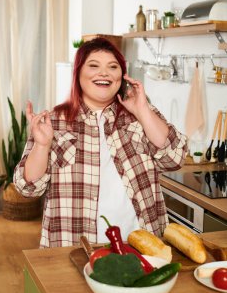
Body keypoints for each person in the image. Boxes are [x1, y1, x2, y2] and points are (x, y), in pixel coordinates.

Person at [14, 37, 187, 248]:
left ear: (121, 77)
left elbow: (175, 158)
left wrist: (143, 110)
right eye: (94, 66)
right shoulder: (54, 122)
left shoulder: (140, 116)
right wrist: (42, 145)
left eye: (112, 67)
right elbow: (27, 188)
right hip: (74, 247)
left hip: (140, 244)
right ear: (78, 73)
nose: (104, 73)